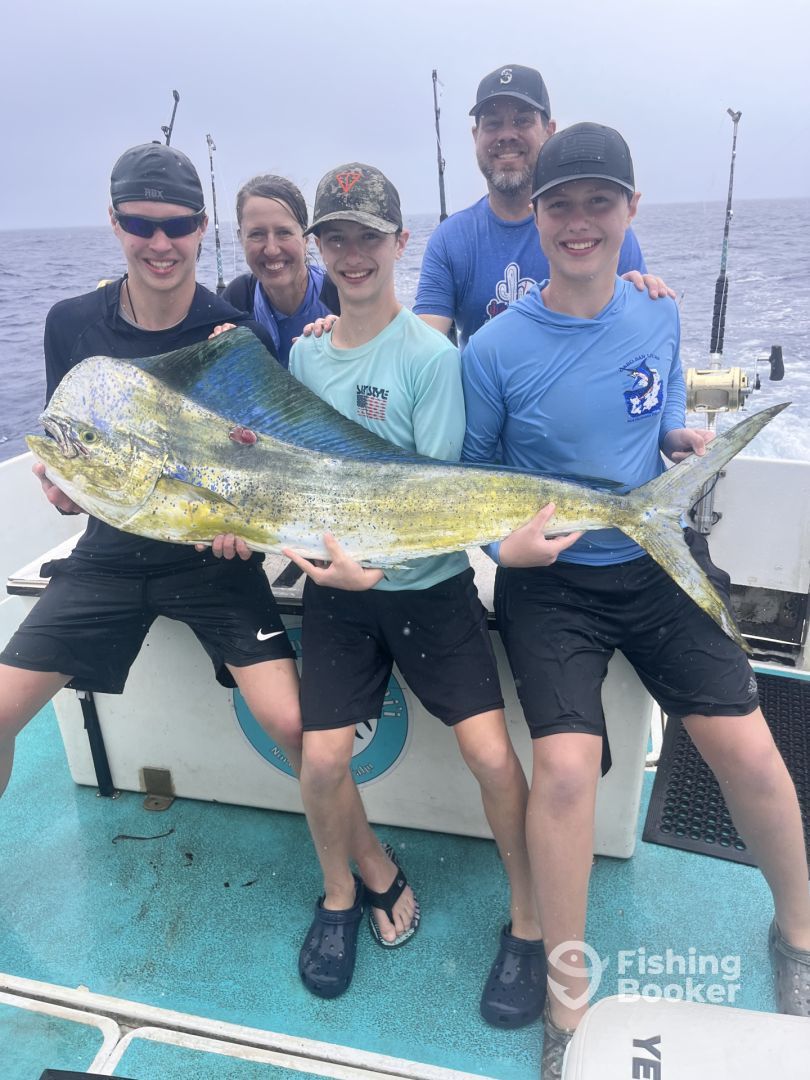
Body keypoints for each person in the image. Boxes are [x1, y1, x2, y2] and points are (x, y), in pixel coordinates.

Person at [460, 122, 810, 1078]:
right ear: (535, 216)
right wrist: (501, 550)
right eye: (560, 205)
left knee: (750, 748)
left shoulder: (657, 311)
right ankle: (568, 996)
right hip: (551, 583)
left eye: (599, 202)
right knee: (567, 773)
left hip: (656, 563)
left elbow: (655, 414)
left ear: (630, 210)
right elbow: (472, 477)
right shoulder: (493, 349)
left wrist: (675, 442)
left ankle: (798, 935)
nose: (579, 222)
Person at [281, 162, 546, 1023]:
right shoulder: (304, 353)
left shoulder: (435, 359)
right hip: (338, 594)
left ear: (400, 244)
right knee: (323, 758)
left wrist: (380, 569)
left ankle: (529, 917)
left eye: (368, 236)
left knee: (492, 757)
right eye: (335, 238)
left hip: (428, 586)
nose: (352, 254)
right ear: (320, 250)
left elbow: (433, 500)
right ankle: (340, 894)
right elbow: (296, 476)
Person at [0, 142, 303, 805]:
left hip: (210, 562)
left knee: (293, 724)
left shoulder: (234, 337)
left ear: (201, 228)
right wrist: (62, 490)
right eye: (140, 224)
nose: (160, 243)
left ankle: (362, 853)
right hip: (107, 558)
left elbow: (257, 477)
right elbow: (67, 450)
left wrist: (245, 531)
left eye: (177, 225)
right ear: (114, 222)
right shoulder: (70, 325)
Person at [414, 64, 664, 348]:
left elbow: (639, 340)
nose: (507, 135)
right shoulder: (450, 239)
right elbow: (424, 348)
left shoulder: (599, 234)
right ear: (475, 136)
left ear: (549, 131)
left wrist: (645, 294)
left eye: (522, 121)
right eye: (493, 123)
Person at [222, 174, 340, 368]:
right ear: (241, 239)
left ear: (306, 238)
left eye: (284, 233)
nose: (271, 250)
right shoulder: (237, 300)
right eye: (257, 234)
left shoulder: (338, 296)